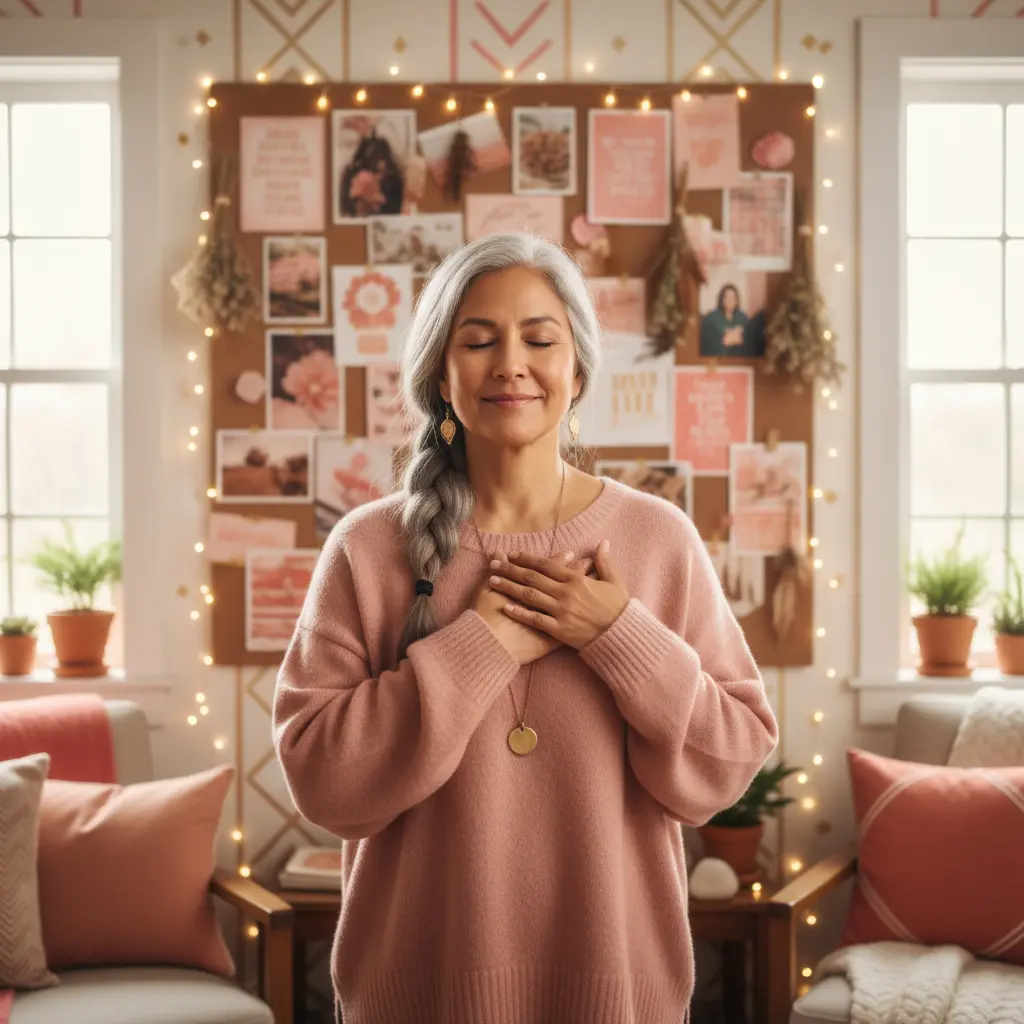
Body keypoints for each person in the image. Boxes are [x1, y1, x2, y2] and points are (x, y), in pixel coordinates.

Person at [273, 232, 778, 1024]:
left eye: (539, 338)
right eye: (478, 340)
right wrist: (481, 647)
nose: (510, 363)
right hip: (417, 999)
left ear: (576, 370)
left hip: (617, 998)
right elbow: (322, 781)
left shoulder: (658, 539)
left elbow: (728, 762)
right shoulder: (368, 549)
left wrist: (621, 636)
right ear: (441, 373)